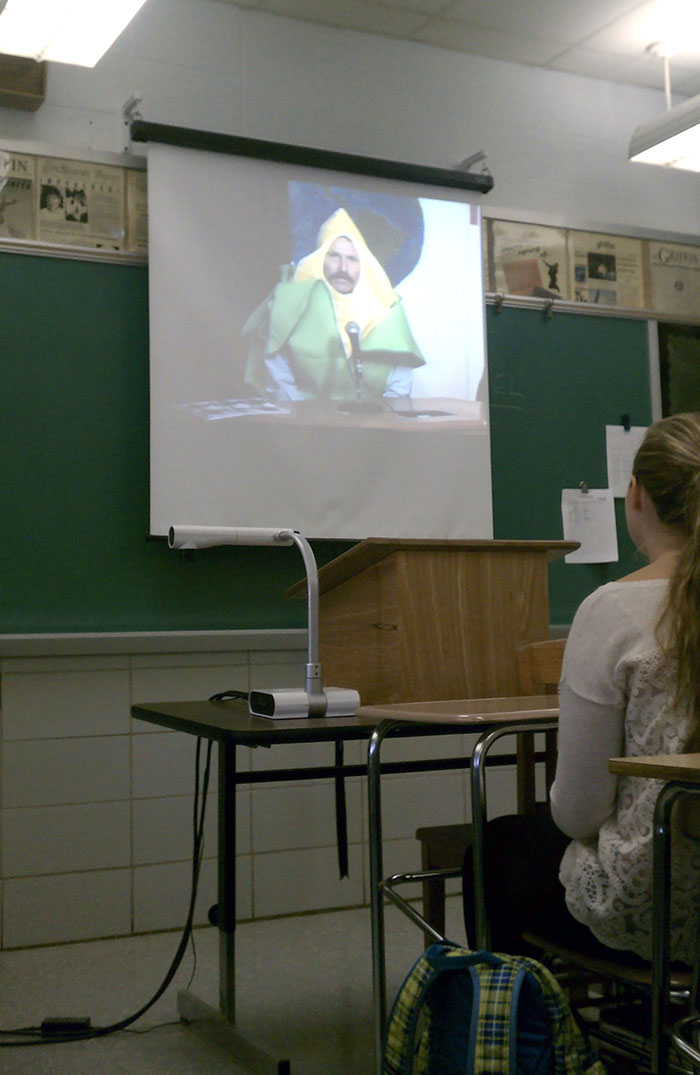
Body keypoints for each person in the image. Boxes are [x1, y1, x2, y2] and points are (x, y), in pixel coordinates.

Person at [463, 412, 700, 965]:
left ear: (635, 494)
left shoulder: (612, 611)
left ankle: (526, 1020)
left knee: (495, 849)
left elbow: (579, 814)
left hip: (661, 901)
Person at [242, 207, 425, 403]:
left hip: (375, 418)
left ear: (363, 265)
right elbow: (279, 378)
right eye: (334, 256)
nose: (343, 267)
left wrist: (380, 418)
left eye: (352, 259)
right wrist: (308, 417)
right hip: (307, 418)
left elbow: (400, 382)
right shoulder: (290, 305)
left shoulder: (388, 310)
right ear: (320, 260)